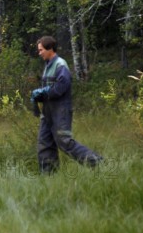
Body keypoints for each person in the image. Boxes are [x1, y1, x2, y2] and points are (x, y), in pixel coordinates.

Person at [31, 35, 102, 174]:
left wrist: (44, 91)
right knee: (44, 143)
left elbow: (61, 87)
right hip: (47, 112)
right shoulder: (47, 65)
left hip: (60, 111)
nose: (39, 53)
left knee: (64, 142)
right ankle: (48, 176)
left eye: (41, 50)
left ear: (50, 48)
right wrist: (37, 96)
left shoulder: (60, 64)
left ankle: (97, 162)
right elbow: (49, 91)